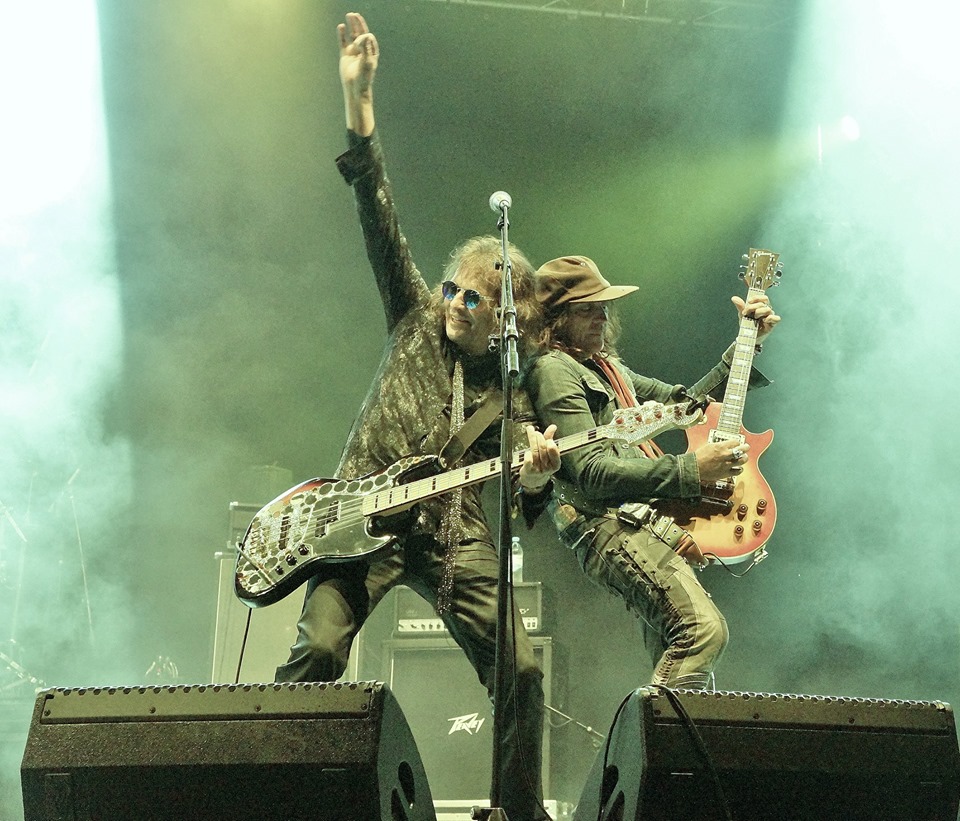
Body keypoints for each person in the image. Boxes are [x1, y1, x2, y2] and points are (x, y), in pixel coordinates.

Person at [274, 13, 560, 821]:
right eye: (453, 290)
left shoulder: (513, 383)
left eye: (476, 298)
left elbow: (532, 504)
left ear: (504, 316)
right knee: (319, 651)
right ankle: (271, 784)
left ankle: (516, 810)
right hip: (358, 514)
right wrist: (358, 102)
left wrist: (538, 472)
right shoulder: (412, 318)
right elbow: (377, 210)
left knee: (524, 669)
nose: (457, 306)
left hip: (453, 534)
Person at [525, 255, 780, 689]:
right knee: (702, 631)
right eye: (587, 308)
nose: (601, 317)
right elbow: (590, 473)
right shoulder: (554, 370)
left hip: (642, 519)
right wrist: (691, 469)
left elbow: (688, 406)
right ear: (556, 319)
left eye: (604, 307)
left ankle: (671, 748)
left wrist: (746, 344)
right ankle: (657, 735)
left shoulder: (607, 368)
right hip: (603, 519)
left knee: (676, 642)